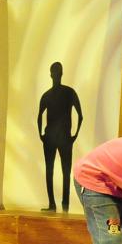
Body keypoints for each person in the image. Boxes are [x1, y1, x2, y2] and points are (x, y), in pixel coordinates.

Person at [37, 61, 82, 212]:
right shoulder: (68, 93)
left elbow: (39, 116)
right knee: (62, 171)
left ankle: (60, 204)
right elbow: (80, 116)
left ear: (53, 74)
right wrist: (73, 135)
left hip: (54, 137)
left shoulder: (49, 95)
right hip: (59, 137)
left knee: (59, 171)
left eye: (56, 73)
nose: (55, 75)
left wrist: (42, 135)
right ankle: (60, 204)